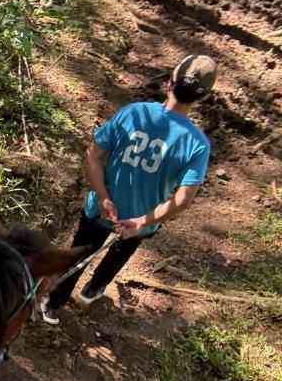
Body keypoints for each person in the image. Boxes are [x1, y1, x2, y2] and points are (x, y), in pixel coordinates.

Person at [41, 54, 217, 324]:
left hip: (100, 210)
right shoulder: (197, 145)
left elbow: (93, 156)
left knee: (79, 254)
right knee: (118, 255)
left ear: (169, 82)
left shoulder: (134, 112)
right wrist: (142, 221)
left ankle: (53, 304)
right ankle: (91, 292)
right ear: (202, 98)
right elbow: (183, 200)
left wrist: (103, 197)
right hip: (140, 222)